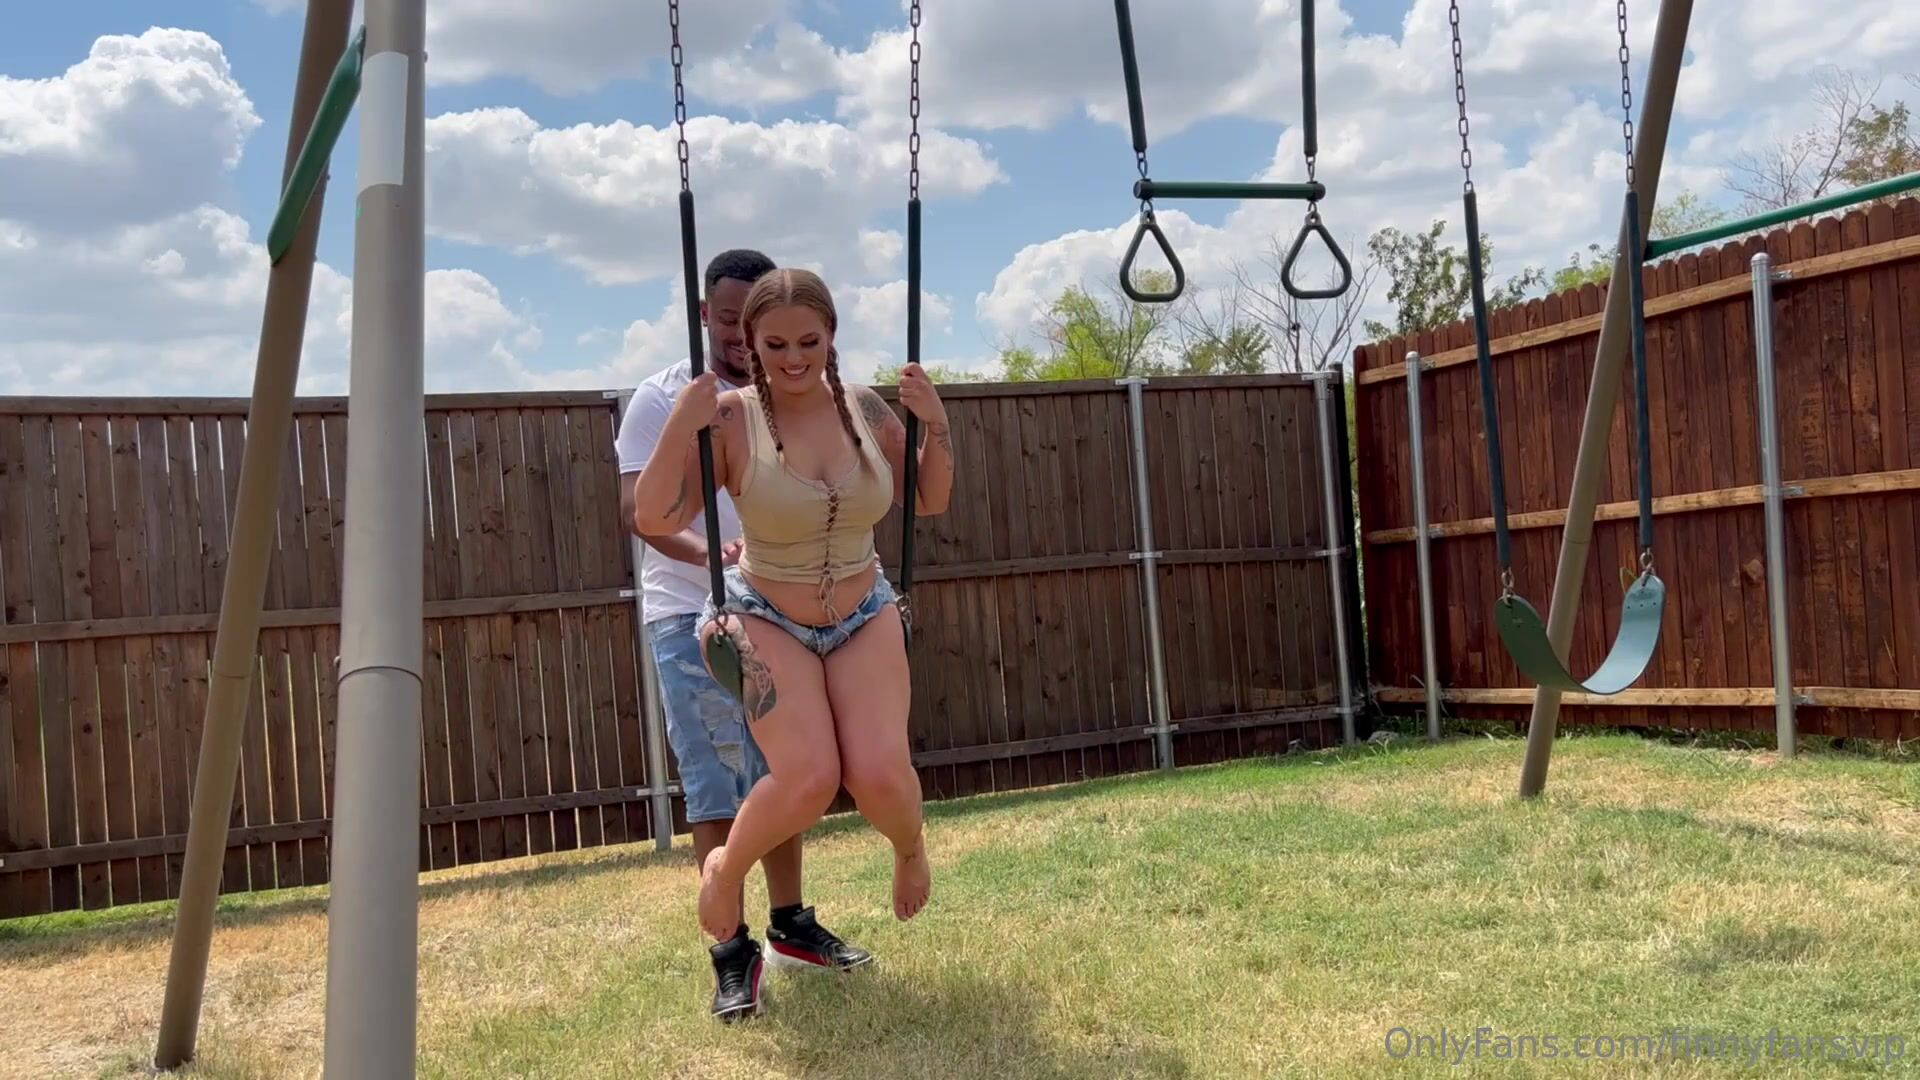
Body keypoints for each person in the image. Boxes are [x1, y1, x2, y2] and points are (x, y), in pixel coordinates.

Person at [628, 267, 955, 946]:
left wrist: (936, 425)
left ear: (831, 334)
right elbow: (654, 515)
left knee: (880, 776)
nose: (794, 358)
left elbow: (928, 499)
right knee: (808, 777)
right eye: (775, 345)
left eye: (809, 341)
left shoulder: (864, 410)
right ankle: (725, 871)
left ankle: (909, 847)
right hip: (764, 616)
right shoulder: (732, 418)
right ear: (751, 342)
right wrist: (679, 426)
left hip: (862, 611)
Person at [616, 250, 872, 1023]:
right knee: (717, 780)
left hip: (778, 610)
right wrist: (710, 554)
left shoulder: (798, 395)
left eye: (748, 322)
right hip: (688, 609)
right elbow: (641, 511)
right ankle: (731, 951)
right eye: (725, 319)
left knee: (782, 772)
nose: (737, 335)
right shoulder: (667, 397)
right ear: (706, 316)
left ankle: (790, 924)